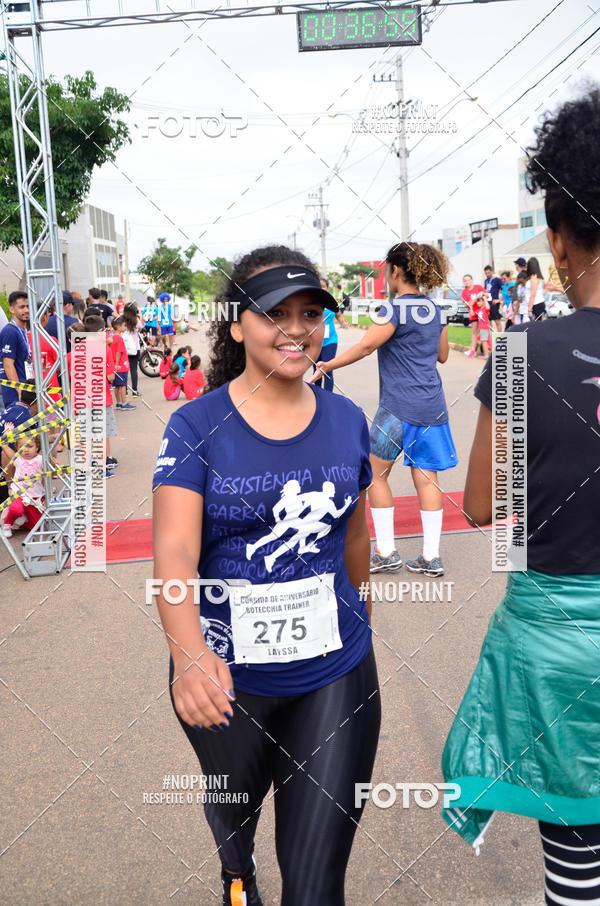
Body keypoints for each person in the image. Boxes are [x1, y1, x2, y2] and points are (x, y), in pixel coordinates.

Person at [152, 244, 380, 906]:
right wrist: (188, 654)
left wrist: (360, 609)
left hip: (334, 674)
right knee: (234, 814)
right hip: (225, 681)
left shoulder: (346, 419)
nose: (296, 328)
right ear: (236, 325)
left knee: (315, 884)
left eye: (310, 312)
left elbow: (356, 529)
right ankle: (235, 870)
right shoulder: (196, 425)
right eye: (274, 312)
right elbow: (172, 550)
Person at [442, 85, 600, 906]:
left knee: (577, 867)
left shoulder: (521, 353)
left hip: (555, 655)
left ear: (561, 240)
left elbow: (477, 506)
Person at [313, 241, 457, 577]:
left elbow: (365, 347)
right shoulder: (437, 311)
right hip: (432, 407)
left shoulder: (392, 310)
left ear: (395, 270)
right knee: (427, 479)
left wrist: (327, 365)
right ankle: (430, 557)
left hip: (397, 408)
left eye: (386, 270)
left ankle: (386, 551)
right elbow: (443, 356)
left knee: (375, 474)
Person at [80, 314, 118, 476]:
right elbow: (110, 377)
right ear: (100, 331)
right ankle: (102, 468)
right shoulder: (104, 348)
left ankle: (86, 467)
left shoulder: (79, 347)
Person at [1, 434, 45, 538]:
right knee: (16, 509)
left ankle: (20, 522)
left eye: (30, 446)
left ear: (37, 447)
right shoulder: (18, 459)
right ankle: (7, 524)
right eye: (22, 447)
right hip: (19, 494)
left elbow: (52, 469)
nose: (26, 450)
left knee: (37, 527)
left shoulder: (41, 459)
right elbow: (5, 446)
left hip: (34, 496)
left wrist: (54, 463)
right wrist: (6, 437)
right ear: (17, 448)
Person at [312, 276, 348, 392]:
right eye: (319, 286)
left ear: (327, 288)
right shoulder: (311, 303)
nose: (321, 288)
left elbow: (339, 315)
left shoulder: (331, 302)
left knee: (327, 370)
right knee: (316, 370)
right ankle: (317, 397)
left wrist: (343, 322)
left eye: (323, 286)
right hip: (315, 341)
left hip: (330, 341)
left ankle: (328, 397)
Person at [0, 291, 32, 407]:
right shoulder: (10, 331)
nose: (26, 310)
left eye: (28, 306)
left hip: (26, 391)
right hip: (16, 396)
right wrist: (20, 391)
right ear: (12, 309)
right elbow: (8, 364)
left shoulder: (22, 330)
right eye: (22, 307)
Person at [110, 317, 135, 411]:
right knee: (123, 385)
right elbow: (119, 352)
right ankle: (124, 403)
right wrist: (117, 364)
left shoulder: (112, 338)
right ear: (118, 326)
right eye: (124, 326)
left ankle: (119, 402)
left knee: (116, 385)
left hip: (115, 366)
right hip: (121, 366)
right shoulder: (119, 338)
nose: (125, 327)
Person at [462, 274, 486, 357]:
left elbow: (487, 295)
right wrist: (475, 299)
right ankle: (473, 350)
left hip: (482, 313)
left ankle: (490, 349)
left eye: (468, 280)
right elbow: (467, 304)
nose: (467, 282)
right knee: (474, 332)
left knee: (486, 331)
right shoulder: (464, 292)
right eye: (465, 280)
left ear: (472, 280)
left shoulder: (478, 287)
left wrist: (482, 293)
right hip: (473, 313)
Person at [122, 303, 143, 398]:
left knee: (125, 370)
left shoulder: (122, 320)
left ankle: (125, 391)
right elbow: (140, 328)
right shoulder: (136, 320)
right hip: (135, 348)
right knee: (134, 370)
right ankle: (134, 391)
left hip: (124, 348)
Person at [483, 265, 503, 333]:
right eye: (486, 273)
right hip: (488, 304)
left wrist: (499, 299)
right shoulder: (486, 281)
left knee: (497, 321)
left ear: (491, 272)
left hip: (495, 304)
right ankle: (490, 338)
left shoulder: (497, 280)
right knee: (489, 322)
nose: (487, 274)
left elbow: (505, 289)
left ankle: (500, 337)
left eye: (488, 273)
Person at [525, 256, 546, 321]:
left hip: (536, 305)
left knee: (537, 327)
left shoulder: (534, 278)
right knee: (539, 325)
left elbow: (533, 295)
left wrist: (529, 310)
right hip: (538, 304)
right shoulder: (538, 278)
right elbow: (542, 292)